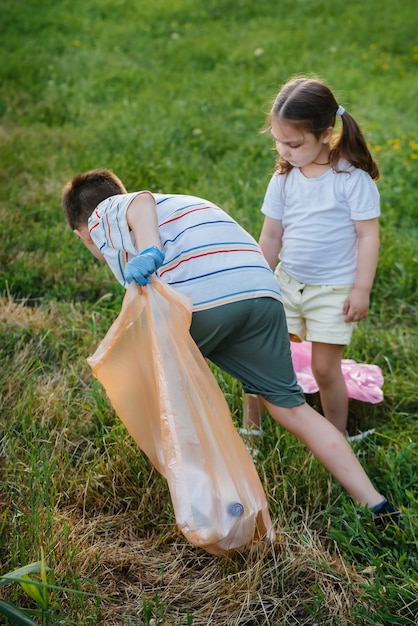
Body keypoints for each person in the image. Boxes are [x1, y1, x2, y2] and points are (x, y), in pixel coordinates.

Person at [62, 168, 399, 528]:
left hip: (205, 303)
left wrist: (149, 249)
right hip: (263, 296)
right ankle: (376, 504)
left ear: (81, 234)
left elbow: (138, 202)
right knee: (293, 409)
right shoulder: (185, 205)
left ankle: (211, 506)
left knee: (159, 397)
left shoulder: (106, 215)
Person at [244, 76, 381, 439]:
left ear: (325, 133)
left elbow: (368, 236)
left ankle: (335, 436)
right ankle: (251, 431)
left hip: (334, 289)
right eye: (277, 140)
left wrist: (361, 289)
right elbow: (272, 234)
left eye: (293, 143)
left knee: (324, 368)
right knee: (263, 357)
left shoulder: (351, 179)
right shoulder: (284, 179)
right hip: (287, 282)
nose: (283, 150)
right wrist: (260, 278)